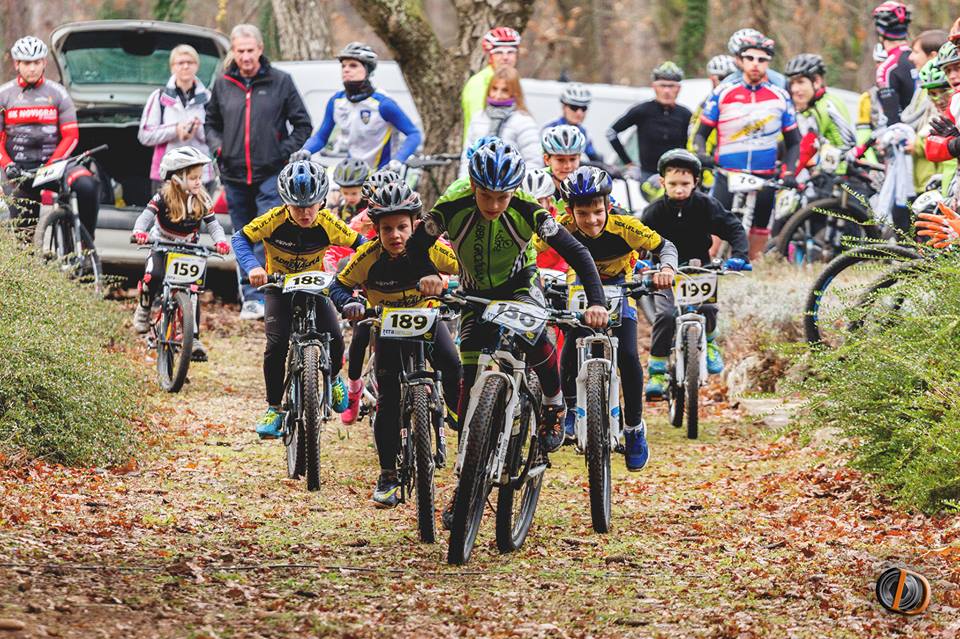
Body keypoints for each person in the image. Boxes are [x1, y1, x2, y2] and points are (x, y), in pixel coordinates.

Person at [410, 139, 609, 461]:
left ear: (515, 190)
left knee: (535, 338)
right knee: (469, 376)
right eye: (486, 195)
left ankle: (554, 403)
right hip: (475, 289)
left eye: (503, 197)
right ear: (473, 184)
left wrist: (596, 302)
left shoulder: (528, 206)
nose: (494, 205)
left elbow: (577, 252)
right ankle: (467, 469)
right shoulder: (451, 204)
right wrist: (428, 273)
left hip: (519, 282)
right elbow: (416, 245)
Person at [330, 181, 461, 507]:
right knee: (388, 398)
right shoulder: (367, 256)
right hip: (387, 330)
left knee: (453, 363)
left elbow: (465, 268)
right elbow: (337, 286)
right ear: (376, 229)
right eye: (386, 229)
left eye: (402, 227)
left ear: (415, 225)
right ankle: (388, 474)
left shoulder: (430, 248)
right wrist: (350, 304)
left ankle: (463, 419)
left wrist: (449, 286)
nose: (395, 235)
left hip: (428, 321)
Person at [551, 166, 679, 470]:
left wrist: (667, 270)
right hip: (580, 289)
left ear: (608, 206)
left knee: (629, 356)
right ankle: (569, 408)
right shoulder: (561, 226)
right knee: (570, 341)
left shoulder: (626, 226)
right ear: (570, 212)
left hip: (622, 287)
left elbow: (665, 247)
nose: (592, 220)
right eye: (583, 214)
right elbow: (530, 249)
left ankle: (634, 428)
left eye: (597, 211)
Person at [231, 160, 365, 439]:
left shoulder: (329, 223)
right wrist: (253, 267)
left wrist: (365, 270)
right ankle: (273, 408)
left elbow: (361, 245)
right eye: (297, 206)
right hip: (278, 288)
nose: (305, 213)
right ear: (285, 203)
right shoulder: (273, 219)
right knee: (276, 344)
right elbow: (240, 238)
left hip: (315, 288)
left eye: (311, 205)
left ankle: (333, 377)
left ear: (322, 201)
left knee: (336, 337)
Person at [205, 24, 312, 321]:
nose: (246, 56)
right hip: (234, 175)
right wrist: (219, 149)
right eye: (240, 51)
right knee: (242, 236)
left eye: (250, 50)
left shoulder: (281, 81)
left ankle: (273, 297)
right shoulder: (223, 83)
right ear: (233, 52)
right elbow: (210, 123)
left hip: (270, 174)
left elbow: (303, 125)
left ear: (260, 49)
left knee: (269, 234)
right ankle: (251, 298)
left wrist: (281, 152)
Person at [641, 150, 750, 399]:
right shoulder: (653, 212)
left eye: (685, 184)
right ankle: (657, 370)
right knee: (666, 315)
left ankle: (710, 344)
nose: (679, 189)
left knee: (709, 309)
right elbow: (637, 241)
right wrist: (638, 263)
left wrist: (740, 256)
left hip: (700, 267)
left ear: (696, 183)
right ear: (662, 183)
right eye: (673, 184)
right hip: (665, 272)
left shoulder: (706, 205)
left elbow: (732, 227)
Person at [694, 32, 800, 260]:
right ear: (740, 60)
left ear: (768, 63)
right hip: (727, 173)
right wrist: (702, 154)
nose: (755, 64)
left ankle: (749, 280)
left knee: (758, 238)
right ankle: (706, 273)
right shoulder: (722, 93)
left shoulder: (781, 96)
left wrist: (789, 171)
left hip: (765, 175)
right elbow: (701, 133)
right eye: (750, 58)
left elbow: (793, 141)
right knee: (712, 237)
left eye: (762, 60)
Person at [130, 147, 230, 360]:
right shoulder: (162, 196)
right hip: (161, 245)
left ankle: (192, 337)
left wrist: (220, 240)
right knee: (153, 275)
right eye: (193, 178)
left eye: (200, 177)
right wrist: (139, 232)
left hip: (188, 249)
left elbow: (214, 225)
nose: (198, 182)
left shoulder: (202, 198)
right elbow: (145, 217)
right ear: (177, 178)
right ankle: (144, 309)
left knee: (193, 290)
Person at [0, 36, 100, 237]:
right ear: (17, 64)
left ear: (44, 63)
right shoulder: (4, 94)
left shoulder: (59, 93)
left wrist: (53, 164)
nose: (32, 68)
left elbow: (71, 135)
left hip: (53, 166)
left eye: (37, 62)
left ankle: (85, 247)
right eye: (27, 63)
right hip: (18, 170)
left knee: (87, 185)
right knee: (23, 230)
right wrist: (7, 164)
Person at [328, 168, 400, 426]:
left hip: (401, 290)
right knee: (360, 334)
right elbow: (335, 251)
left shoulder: (410, 221)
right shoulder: (359, 223)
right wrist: (329, 268)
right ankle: (355, 390)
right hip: (366, 287)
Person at [293, 43, 422, 172]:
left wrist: (398, 160)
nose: (346, 69)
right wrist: (306, 150)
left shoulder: (383, 104)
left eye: (353, 65)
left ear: (368, 70)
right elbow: (321, 136)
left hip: (382, 174)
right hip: (353, 173)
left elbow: (414, 134)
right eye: (343, 66)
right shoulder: (336, 101)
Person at [138, 44, 215, 194]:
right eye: (180, 63)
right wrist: (175, 130)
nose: (185, 67)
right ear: (172, 67)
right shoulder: (159, 97)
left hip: (201, 176)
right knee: (166, 217)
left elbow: (217, 135)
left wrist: (197, 129)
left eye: (190, 62)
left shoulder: (208, 98)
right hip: (167, 174)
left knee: (198, 217)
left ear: (197, 66)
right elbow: (144, 135)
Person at [607, 61, 692, 184]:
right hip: (647, 176)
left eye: (671, 86)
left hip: (677, 177)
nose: (667, 91)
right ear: (654, 86)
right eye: (662, 85)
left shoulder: (686, 114)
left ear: (678, 89)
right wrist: (628, 163)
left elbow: (695, 143)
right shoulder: (642, 110)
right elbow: (611, 132)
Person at [460, 67, 542, 177]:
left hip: (511, 188)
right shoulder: (478, 118)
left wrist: (518, 187)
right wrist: (465, 183)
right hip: (477, 186)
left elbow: (533, 161)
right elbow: (467, 158)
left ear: (515, 92)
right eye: (494, 88)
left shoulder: (524, 121)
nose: (497, 95)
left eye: (505, 90)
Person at [784, 54, 856, 175]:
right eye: (792, 83)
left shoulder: (823, 107)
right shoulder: (822, 102)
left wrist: (787, 174)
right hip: (833, 172)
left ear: (817, 81)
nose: (795, 89)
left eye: (800, 82)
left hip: (842, 177)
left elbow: (806, 146)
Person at [461, 27, 521, 144]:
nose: (505, 57)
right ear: (490, 56)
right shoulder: (479, 83)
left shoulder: (513, 81)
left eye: (510, 52)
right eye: (499, 52)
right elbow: (480, 126)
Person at [688, 55, 739, 190]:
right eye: (722, 78)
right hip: (713, 174)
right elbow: (695, 139)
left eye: (733, 77)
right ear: (712, 79)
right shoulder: (708, 105)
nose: (729, 82)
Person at [872, 1, 917, 127]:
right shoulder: (919, 57)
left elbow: (891, 119)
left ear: (880, 31)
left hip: (906, 138)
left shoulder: (887, 67)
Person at [541, 83, 603, 162]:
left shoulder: (583, 132)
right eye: (574, 107)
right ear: (563, 107)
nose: (579, 113)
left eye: (583, 108)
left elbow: (592, 156)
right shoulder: (549, 129)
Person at [723, 29, 788, 89]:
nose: (755, 62)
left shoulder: (779, 80)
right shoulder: (727, 83)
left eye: (761, 59)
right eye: (748, 57)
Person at [327, 157, 370, 221]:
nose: (349, 198)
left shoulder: (370, 206)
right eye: (345, 193)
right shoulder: (338, 201)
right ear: (340, 191)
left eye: (354, 193)